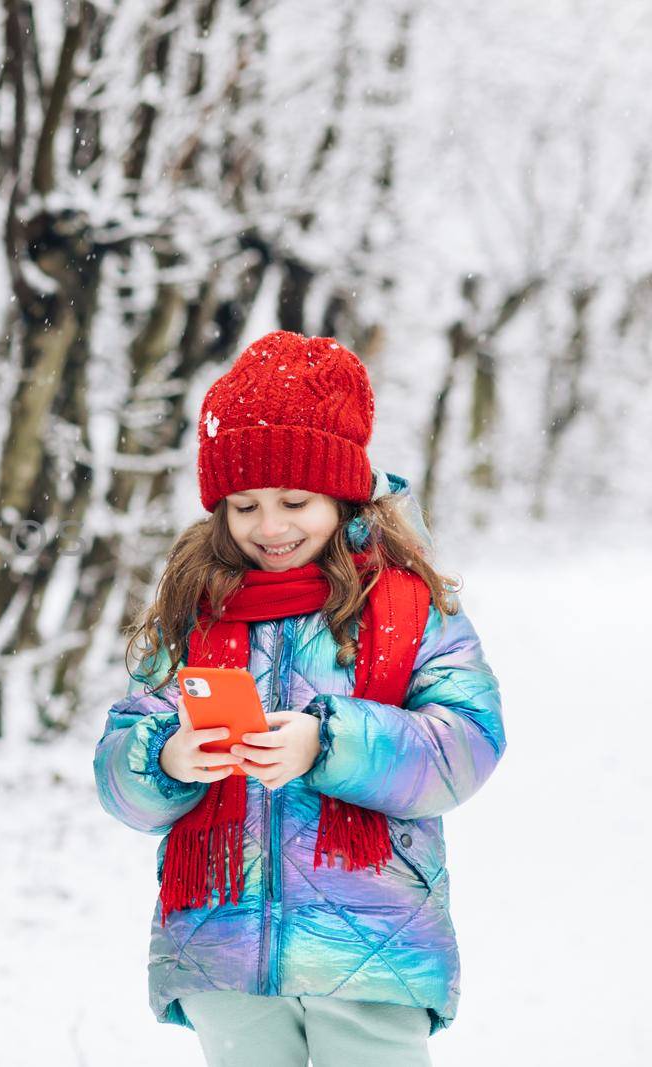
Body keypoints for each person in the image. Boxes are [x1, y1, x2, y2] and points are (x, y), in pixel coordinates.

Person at [92, 330, 506, 1066]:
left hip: (374, 943)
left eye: (293, 500)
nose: (270, 527)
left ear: (341, 492)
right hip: (224, 946)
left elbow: (466, 745)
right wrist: (169, 757)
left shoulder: (410, 605)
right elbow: (123, 779)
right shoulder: (194, 608)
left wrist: (331, 743)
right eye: (245, 505)